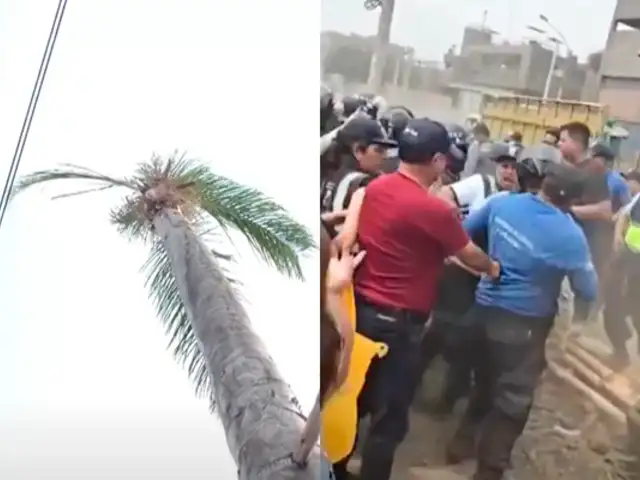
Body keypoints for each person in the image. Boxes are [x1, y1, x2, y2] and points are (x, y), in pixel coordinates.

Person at [333, 118, 499, 480]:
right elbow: (469, 254)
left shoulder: (375, 188)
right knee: (390, 419)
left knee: (351, 396)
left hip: (358, 312)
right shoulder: (433, 211)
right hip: (399, 327)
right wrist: (493, 267)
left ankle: (335, 468)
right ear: (438, 161)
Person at [447, 162, 598, 480]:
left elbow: (462, 235)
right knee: (512, 402)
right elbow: (588, 289)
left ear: (544, 183)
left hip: (481, 313)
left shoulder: (502, 203)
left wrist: (491, 264)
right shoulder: (571, 235)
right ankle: (488, 472)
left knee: (485, 382)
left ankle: (460, 443)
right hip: (523, 328)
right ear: (573, 199)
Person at [558, 122, 612, 326]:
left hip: (587, 243)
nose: (559, 145)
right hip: (567, 241)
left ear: (577, 143)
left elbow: (604, 209)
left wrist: (566, 211)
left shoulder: (593, 169)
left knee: (579, 292)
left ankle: (577, 329)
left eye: (563, 140)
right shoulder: (568, 168)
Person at [320, 116, 396, 222]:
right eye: (379, 150)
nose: (385, 156)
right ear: (358, 150)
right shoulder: (364, 184)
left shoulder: (326, 175)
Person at [603, 176, 640, 366]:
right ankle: (620, 352)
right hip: (627, 260)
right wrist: (618, 237)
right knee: (611, 307)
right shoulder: (638, 198)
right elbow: (623, 215)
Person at [438, 141, 520, 216]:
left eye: (514, 168)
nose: (510, 171)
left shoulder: (519, 198)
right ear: (496, 167)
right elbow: (444, 193)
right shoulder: (481, 183)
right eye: (505, 166)